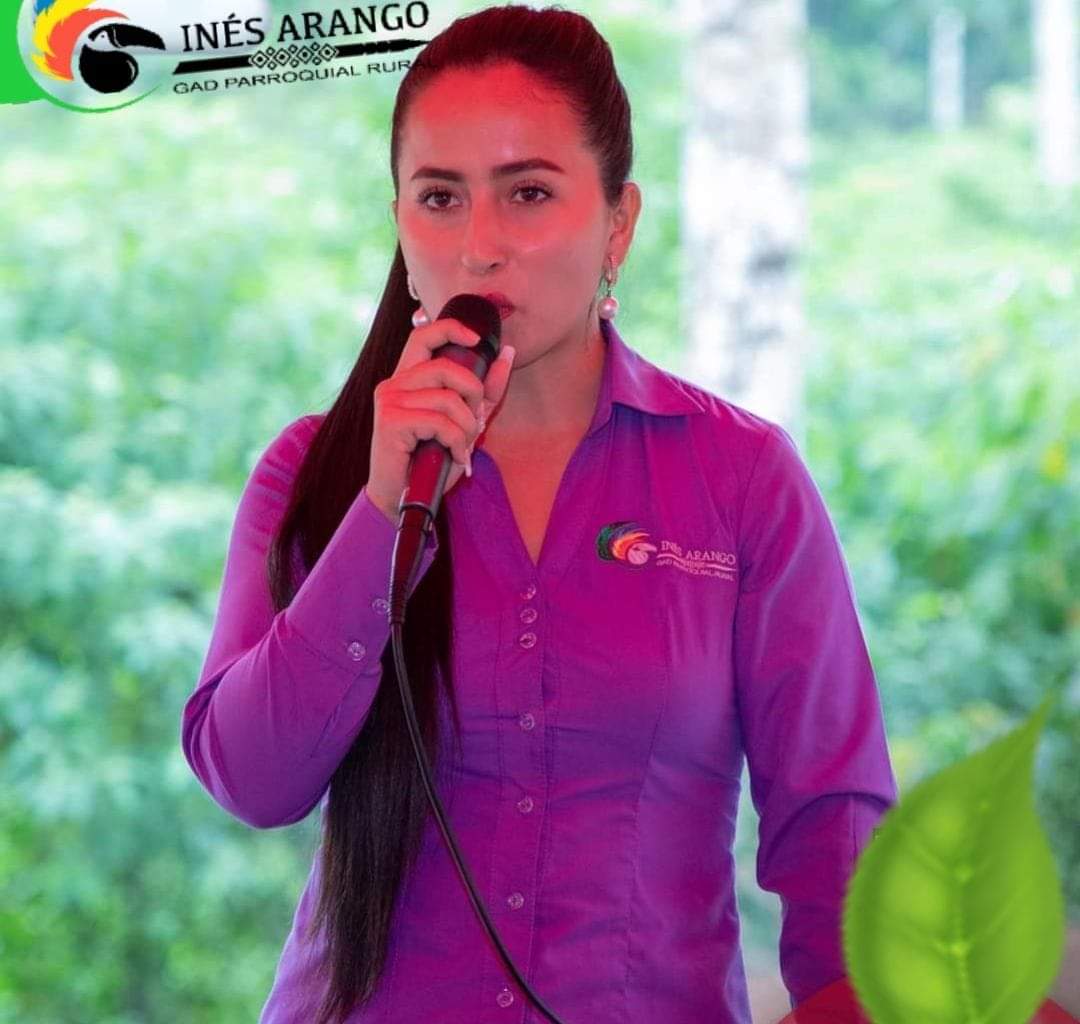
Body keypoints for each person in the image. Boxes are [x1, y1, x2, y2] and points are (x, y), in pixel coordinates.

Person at [180, 5, 898, 1023]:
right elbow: (252, 781)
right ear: (401, 225)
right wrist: (384, 512)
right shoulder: (318, 471)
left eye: (528, 193)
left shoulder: (742, 477)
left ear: (618, 223)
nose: (480, 246)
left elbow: (835, 822)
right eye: (440, 197)